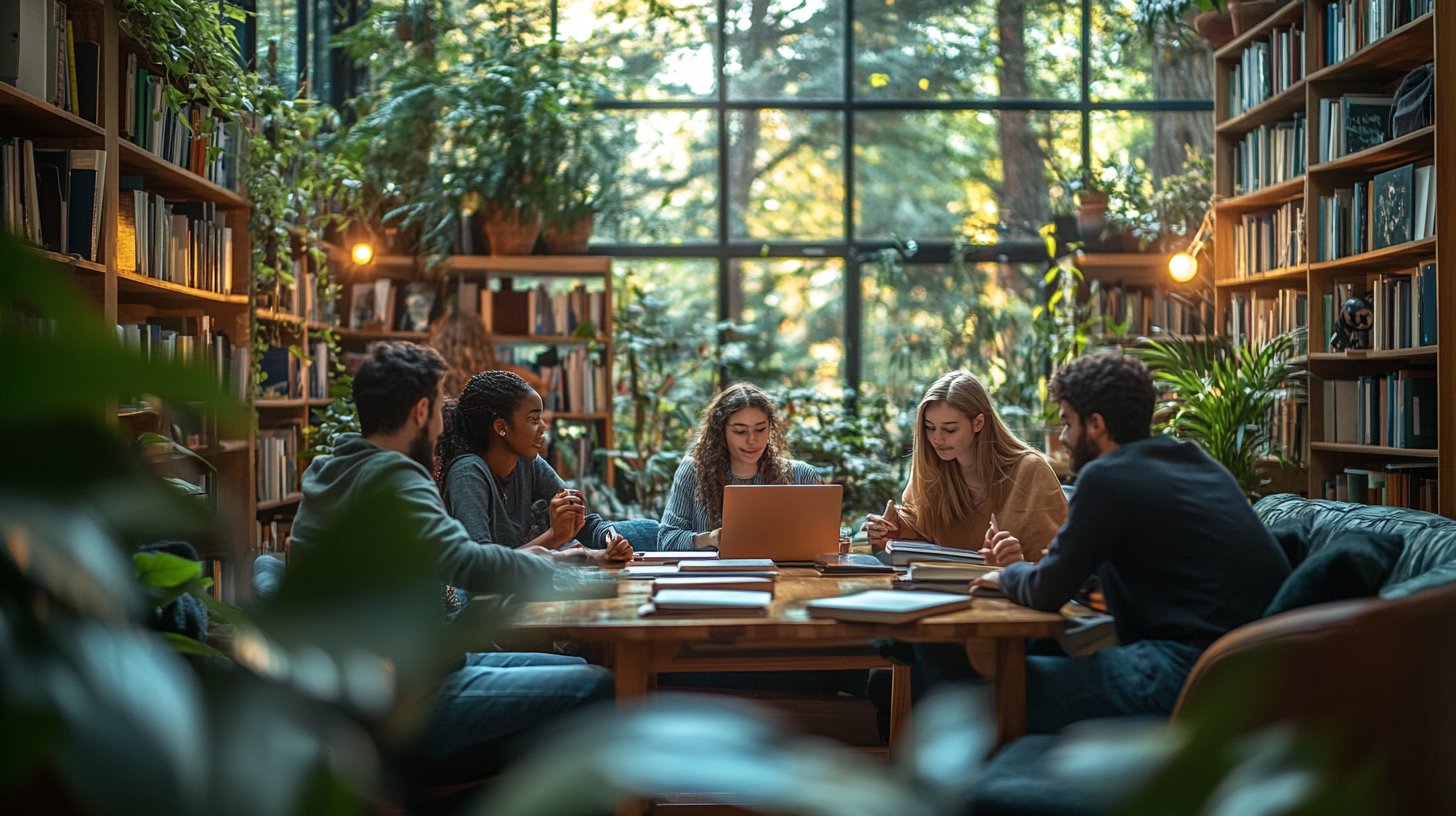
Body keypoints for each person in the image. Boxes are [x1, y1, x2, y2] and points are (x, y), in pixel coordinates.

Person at [290, 342, 613, 782]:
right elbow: (466, 561)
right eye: (441, 413)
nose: (446, 428)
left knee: (577, 669)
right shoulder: (396, 478)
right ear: (421, 412)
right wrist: (553, 565)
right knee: (597, 687)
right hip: (407, 696)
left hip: (362, 689)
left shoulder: (331, 471)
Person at [975, 351, 1290, 733]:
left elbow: (1045, 591)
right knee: (1039, 654)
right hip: (1253, 669)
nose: (1063, 438)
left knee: (1003, 692)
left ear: (1096, 424)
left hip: (1191, 671)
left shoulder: (1106, 477)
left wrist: (1007, 574)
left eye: (1067, 422)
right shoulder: (1195, 460)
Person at [864, 371, 1068, 564]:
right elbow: (917, 528)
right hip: (941, 586)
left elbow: (1061, 564)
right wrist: (890, 530)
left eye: (950, 429)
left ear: (978, 423)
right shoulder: (932, 470)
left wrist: (1017, 563)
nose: (937, 439)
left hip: (1010, 587)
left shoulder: (1030, 470)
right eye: (929, 427)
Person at [437, 369, 634, 563]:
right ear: (501, 427)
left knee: (644, 530)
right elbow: (481, 565)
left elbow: (585, 522)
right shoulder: (467, 473)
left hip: (520, 578)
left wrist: (609, 539)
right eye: (533, 419)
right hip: (486, 583)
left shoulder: (527, 461)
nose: (543, 427)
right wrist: (554, 537)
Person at [658, 382, 820, 551]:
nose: (752, 440)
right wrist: (710, 539)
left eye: (760, 429)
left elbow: (823, 542)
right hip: (716, 569)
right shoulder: (693, 471)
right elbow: (666, 541)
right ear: (721, 431)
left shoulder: (803, 476)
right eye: (740, 431)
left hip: (786, 569)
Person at [428, 307, 549, 402]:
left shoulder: (432, 379)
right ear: (483, 343)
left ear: (440, 343)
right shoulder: (509, 377)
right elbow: (541, 393)